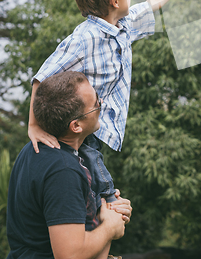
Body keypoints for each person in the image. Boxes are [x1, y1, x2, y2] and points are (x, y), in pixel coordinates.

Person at [27, 0, 201, 204]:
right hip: (78, 125)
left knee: (91, 171)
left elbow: (154, 2)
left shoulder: (123, 24)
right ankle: (109, 203)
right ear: (115, 1)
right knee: (100, 179)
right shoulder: (84, 38)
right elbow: (41, 77)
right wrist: (34, 126)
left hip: (98, 125)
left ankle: (102, 202)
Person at [7, 71, 132, 259]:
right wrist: (109, 227)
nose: (101, 105)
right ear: (76, 126)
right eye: (96, 104)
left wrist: (109, 210)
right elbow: (70, 255)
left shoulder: (33, 150)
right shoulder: (63, 170)